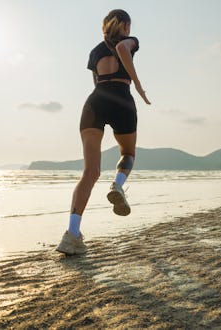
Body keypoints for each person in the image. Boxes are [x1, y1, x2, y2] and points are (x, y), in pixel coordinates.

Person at [56, 9, 151, 255]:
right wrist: (138, 85)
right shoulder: (130, 41)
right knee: (128, 153)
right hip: (121, 98)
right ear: (126, 26)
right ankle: (118, 186)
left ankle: (72, 234)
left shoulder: (95, 51)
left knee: (89, 172)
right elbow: (121, 49)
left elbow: (96, 83)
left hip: (95, 103)